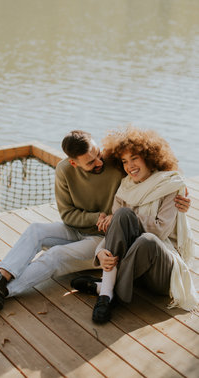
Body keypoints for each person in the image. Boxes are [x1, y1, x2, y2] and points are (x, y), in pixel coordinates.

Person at [0, 130, 190, 310]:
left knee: (55, 255)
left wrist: (183, 199)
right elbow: (67, 215)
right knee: (35, 230)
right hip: (79, 227)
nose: (99, 162)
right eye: (90, 162)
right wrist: (97, 217)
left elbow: (155, 175)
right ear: (74, 163)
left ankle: (0, 292)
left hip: (105, 236)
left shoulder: (115, 164)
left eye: (98, 154)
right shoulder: (64, 170)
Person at [72, 127, 198, 324]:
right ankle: (105, 297)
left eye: (134, 158)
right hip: (136, 268)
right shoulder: (125, 187)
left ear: (149, 156)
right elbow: (115, 231)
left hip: (161, 269)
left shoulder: (170, 185)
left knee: (146, 239)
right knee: (122, 214)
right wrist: (99, 252)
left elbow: (160, 230)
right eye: (124, 161)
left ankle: (103, 287)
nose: (129, 166)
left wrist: (130, 215)